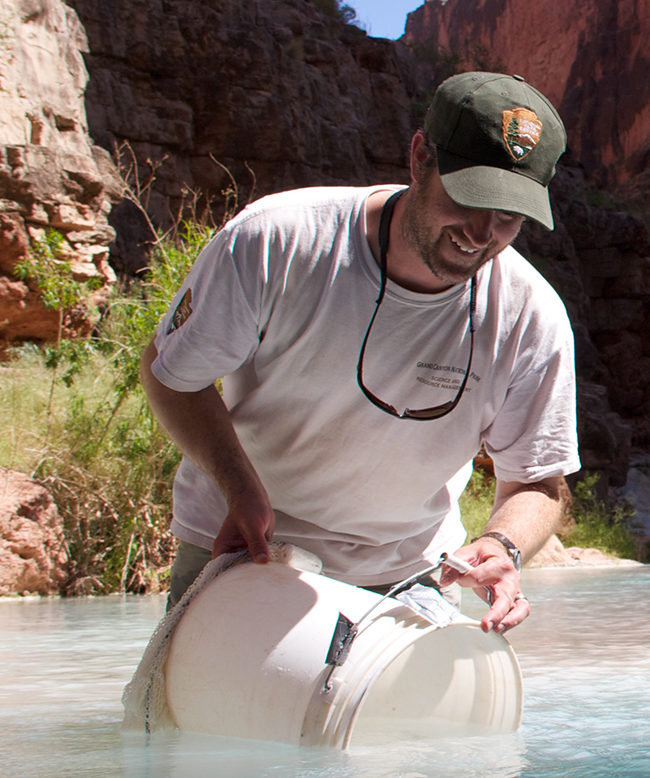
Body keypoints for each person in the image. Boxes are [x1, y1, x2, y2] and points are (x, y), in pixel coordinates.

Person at [139, 72, 579, 633]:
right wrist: (240, 488)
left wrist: (502, 544)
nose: (481, 233)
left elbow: (539, 480)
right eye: (469, 198)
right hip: (242, 547)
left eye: (509, 217)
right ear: (420, 156)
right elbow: (170, 374)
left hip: (409, 579)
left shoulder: (532, 314)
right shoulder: (277, 241)